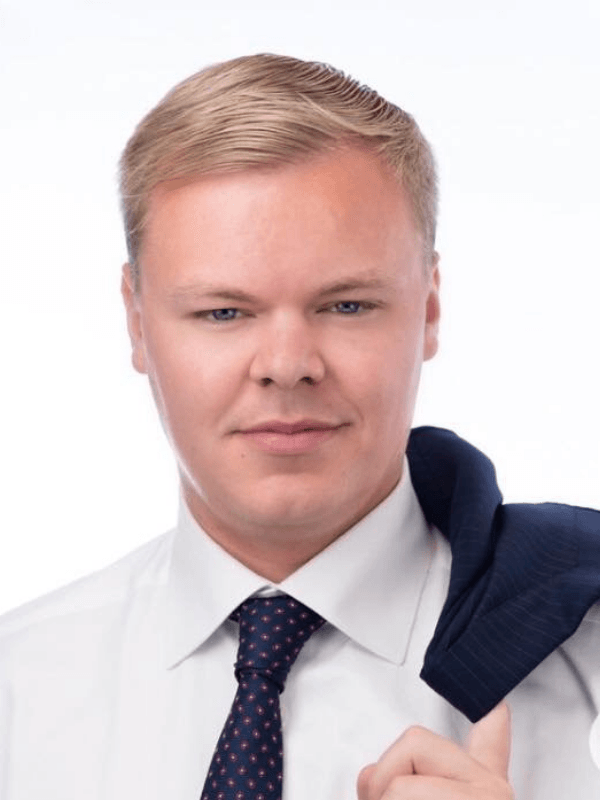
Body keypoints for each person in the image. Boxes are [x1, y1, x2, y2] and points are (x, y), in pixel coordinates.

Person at [0, 52, 599, 800]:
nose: (287, 365)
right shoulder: (15, 695)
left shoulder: (587, 672)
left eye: (347, 305)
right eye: (223, 312)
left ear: (430, 308)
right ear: (136, 321)